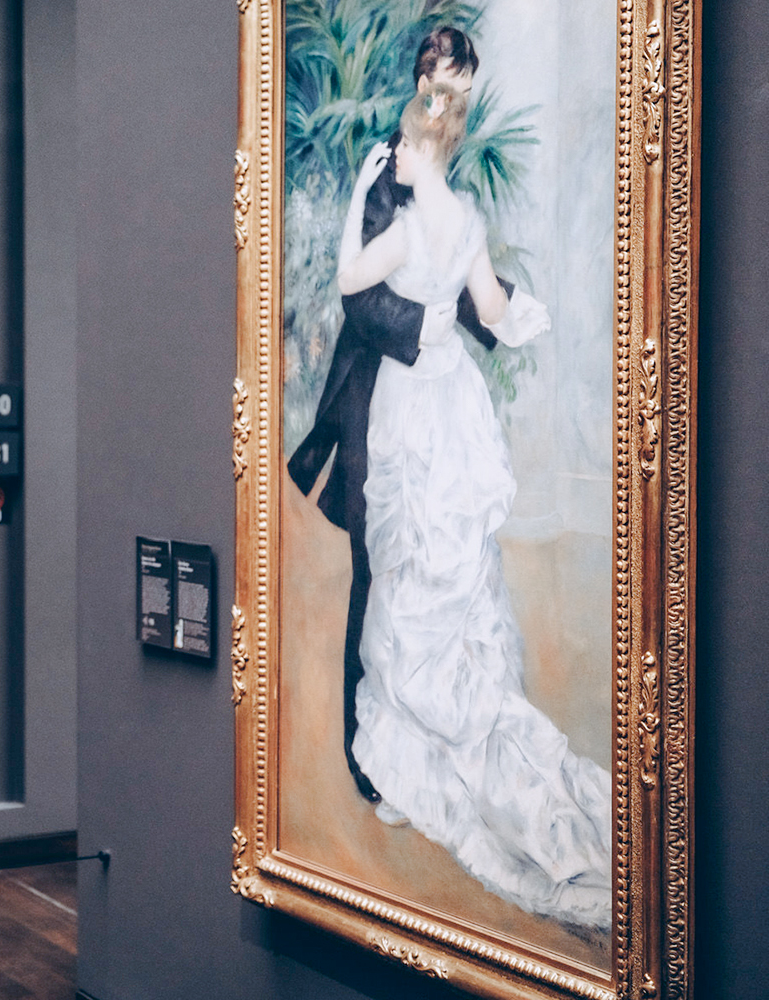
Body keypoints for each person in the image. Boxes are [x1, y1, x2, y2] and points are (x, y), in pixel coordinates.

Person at [336, 83, 612, 929]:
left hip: (415, 406)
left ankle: (411, 755)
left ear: (424, 148)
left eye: (406, 147)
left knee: (413, 565)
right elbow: (491, 310)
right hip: (456, 396)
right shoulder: (466, 225)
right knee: (455, 568)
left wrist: (357, 196)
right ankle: (455, 725)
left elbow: (351, 277)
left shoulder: (411, 225)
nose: (399, 155)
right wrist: (528, 321)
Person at [286, 26, 511, 803]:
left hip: (429, 397)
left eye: (466, 89)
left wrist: (494, 314)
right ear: (427, 78)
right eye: (452, 83)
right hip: (373, 396)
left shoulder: (440, 162)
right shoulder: (391, 166)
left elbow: (455, 269)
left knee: (431, 563)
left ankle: (422, 730)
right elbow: (364, 297)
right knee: (377, 567)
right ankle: (365, 746)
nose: (459, 100)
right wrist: (432, 330)